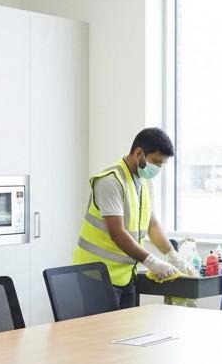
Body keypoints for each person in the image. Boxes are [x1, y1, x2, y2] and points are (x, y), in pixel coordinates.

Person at [73, 128, 188, 308]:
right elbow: (117, 233)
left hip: (126, 275)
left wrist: (172, 255)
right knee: (102, 335)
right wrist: (151, 261)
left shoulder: (145, 182)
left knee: (127, 335)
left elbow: (152, 224)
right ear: (139, 153)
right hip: (96, 276)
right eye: (155, 162)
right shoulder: (111, 180)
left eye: (161, 165)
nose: (157, 169)